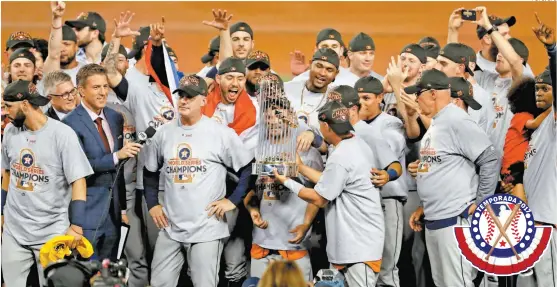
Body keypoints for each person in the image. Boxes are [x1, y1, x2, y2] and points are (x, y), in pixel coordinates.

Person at [143, 75, 253, 287]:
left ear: (203, 100)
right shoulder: (164, 133)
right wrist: (152, 204)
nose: (183, 101)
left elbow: (248, 167)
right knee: (158, 283)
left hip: (207, 228)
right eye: (181, 96)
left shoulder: (220, 133)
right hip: (171, 226)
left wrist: (233, 200)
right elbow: (149, 171)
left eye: (190, 97)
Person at [274, 100, 385, 286]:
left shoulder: (342, 156)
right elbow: (331, 180)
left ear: (325, 126)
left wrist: (286, 181)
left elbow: (319, 198)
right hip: (351, 245)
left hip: (359, 249)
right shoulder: (355, 144)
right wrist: (300, 167)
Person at [406, 69, 499, 287]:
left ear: (432, 94)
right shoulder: (437, 123)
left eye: (417, 94)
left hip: (455, 221)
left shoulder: (457, 121)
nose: (415, 99)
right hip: (435, 219)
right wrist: (424, 207)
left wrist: (482, 202)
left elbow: (490, 159)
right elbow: (441, 167)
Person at [1, 80, 93, 286]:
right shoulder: (10, 132)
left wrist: (76, 227)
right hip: (14, 230)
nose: (5, 112)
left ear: (25, 104)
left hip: (52, 231)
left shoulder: (62, 134)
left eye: (8, 106)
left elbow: (78, 181)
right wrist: (1, 212)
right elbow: (7, 173)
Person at [62, 64, 141, 260]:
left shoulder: (115, 118)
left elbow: (119, 171)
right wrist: (116, 156)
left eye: (105, 86)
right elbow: (78, 169)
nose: (103, 92)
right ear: (81, 90)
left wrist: (122, 208)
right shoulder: (69, 124)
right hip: (86, 213)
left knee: (108, 273)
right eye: (96, 87)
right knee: (86, 271)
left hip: (113, 215)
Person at [244, 96, 324, 280]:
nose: (274, 121)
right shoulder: (258, 151)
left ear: (291, 118)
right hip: (261, 244)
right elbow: (252, 192)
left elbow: (319, 196)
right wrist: (253, 209)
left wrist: (306, 224)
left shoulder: (307, 153)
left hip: (293, 245)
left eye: (279, 116)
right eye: (269, 117)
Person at [354, 76, 408, 287]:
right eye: (357, 99)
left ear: (380, 97)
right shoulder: (354, 125)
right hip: (362, 203)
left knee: (387, 271)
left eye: (366, 98)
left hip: (388, 200)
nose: (361, 104)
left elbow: (389, 151)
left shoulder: (390, 123)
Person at [518, 14, 556, 286]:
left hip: (548, 223)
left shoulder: (554, 123)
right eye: (537, 88)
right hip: (533, 223)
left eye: (546, 88)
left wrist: (552, 51)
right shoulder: (540, 127)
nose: (539, 93)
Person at [284, 48, 339, 135]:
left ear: (336, 73)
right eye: (319, 66)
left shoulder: (336, 101)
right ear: (310, 65)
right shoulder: (286, 89)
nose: (322, 73)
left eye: (329, 70)